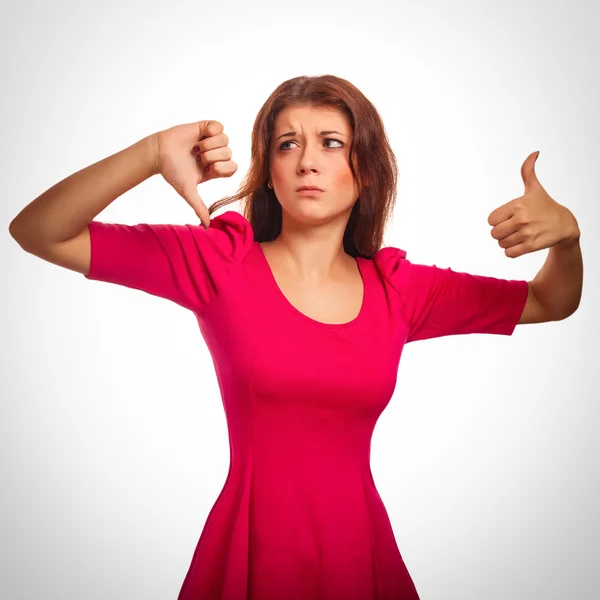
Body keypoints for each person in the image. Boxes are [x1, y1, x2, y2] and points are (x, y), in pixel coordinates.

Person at [8, 74, 580, 600]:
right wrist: (152, 152)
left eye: (331, 142)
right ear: (269, 171)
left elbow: (551, 300)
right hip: (249, 555)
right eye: (287, 144)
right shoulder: (220, 260)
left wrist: (568, 239)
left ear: (368, 169)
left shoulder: (397, 289)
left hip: (363, 558)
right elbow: (39, 231)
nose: (307, 161)